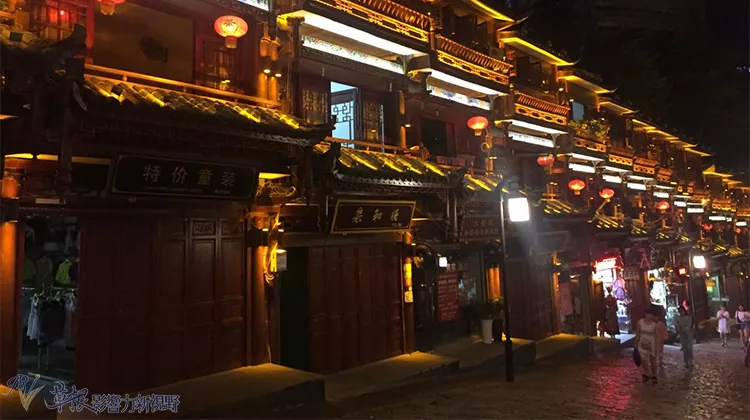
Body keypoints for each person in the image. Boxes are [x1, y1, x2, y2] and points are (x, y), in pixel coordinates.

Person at [636, 307, 659, 384]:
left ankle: (654, 374)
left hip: (651, 343)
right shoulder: (640, 322)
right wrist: (636, 343)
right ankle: (647, 372)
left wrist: (657, 346)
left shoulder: (654, 325)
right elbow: (638, 334)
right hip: (642, 342)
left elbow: (656, 336)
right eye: (648, 314)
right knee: (643, 359)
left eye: (651, 315)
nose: (650, 316)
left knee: (652, 359)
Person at [655, 306, 668, 371]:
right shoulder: (654, 324)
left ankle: (660, 361)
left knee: (660, 350)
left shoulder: (660, 324)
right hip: (655, 339)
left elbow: (664, 331)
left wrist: (664, 337)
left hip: (660, 339)